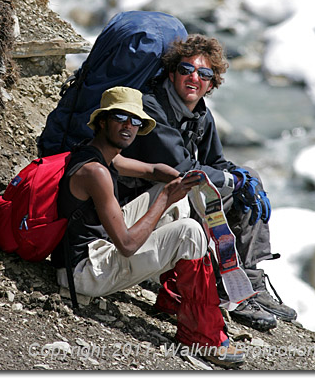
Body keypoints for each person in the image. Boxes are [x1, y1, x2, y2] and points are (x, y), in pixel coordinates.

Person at [51, 86, 245, 369]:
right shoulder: (96, 172)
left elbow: (153, 170)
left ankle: (174, 300)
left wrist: (184, 180)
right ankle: (201, 336)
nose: (129, 126)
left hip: (90, 253)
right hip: (83, 273)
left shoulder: (101, 154)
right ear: (103, 121)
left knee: (175, 203)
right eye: (121, 117)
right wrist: (167, 195)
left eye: (136, 121)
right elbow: (127, 246)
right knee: (189, 230)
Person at [122, 34, 297, 331]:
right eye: (186, 69)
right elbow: (181, 170)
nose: (194, 78)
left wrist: (244, 180)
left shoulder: (200, 113)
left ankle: (248, 282)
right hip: (145, 201)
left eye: (204, 74)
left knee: (248, 185)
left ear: (212, 83)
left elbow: (216, 163)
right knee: (229, 188)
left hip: (176, 192)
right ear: (172, 72)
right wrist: (233, 179)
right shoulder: (153, 108)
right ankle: (229, 289)